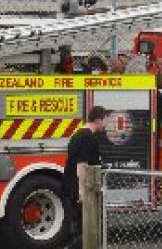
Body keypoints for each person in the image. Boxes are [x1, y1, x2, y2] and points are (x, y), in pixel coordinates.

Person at [63, 105, 106, 249]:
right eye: (105, 120)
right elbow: (82, 164)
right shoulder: (89, 137)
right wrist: (82, 190)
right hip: (81, 189)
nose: (105, 124)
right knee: (87, 227)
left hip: (70, 187)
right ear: (99, 120)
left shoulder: (77, 135)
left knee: (76, 226)